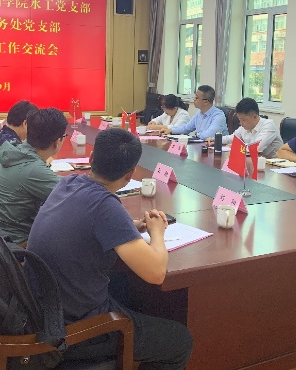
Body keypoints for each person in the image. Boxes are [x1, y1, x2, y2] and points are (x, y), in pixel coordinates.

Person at [27, 128, 192, 369]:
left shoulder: (69, 183)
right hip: (73, 327)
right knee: (180, 341)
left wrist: (130, 226)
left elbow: (87, 221)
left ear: (92, 158)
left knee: (125, 285)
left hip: (42, 306)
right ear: (130, 174)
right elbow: (156, 273)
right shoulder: (105, 206)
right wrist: (157, 232)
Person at [0, 108, 67, 244]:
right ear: (57, 142)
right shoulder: (33, 169)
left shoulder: (17, 151)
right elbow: (72, 197)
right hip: (9, 246)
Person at [205, 98, 283, 157]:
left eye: (243, 120)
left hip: (273, 166)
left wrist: (237, 146)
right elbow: (232, 137)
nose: (241, 123)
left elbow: (256, 148)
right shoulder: (246, 126)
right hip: (254, 161)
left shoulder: (268, 125)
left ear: (254, 116)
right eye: (239, 120)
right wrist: (216, 140)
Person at [156, 85, 227, 140]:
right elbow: (186, 128)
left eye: (196, 98)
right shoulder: (199, 113)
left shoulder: (218, 116)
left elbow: (209, 135)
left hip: (216, 150)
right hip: (201, 146)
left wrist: (195, 135)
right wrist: (171, 130)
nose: (194, 100)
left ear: (206, 102)